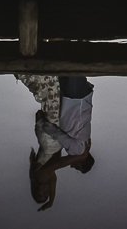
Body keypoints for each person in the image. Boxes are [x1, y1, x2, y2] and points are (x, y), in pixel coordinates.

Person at [27, 76, 95, 211]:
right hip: (75, 100)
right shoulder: (48, 175)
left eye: (41, 192)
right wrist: (51, 201)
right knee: (67, 71)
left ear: (36, 188)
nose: (71, 166)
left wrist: (80, 157)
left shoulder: (42, 175)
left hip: (75, 101)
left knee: (65, 73)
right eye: (46, 194)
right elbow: (55, 175)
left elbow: (58, 164)